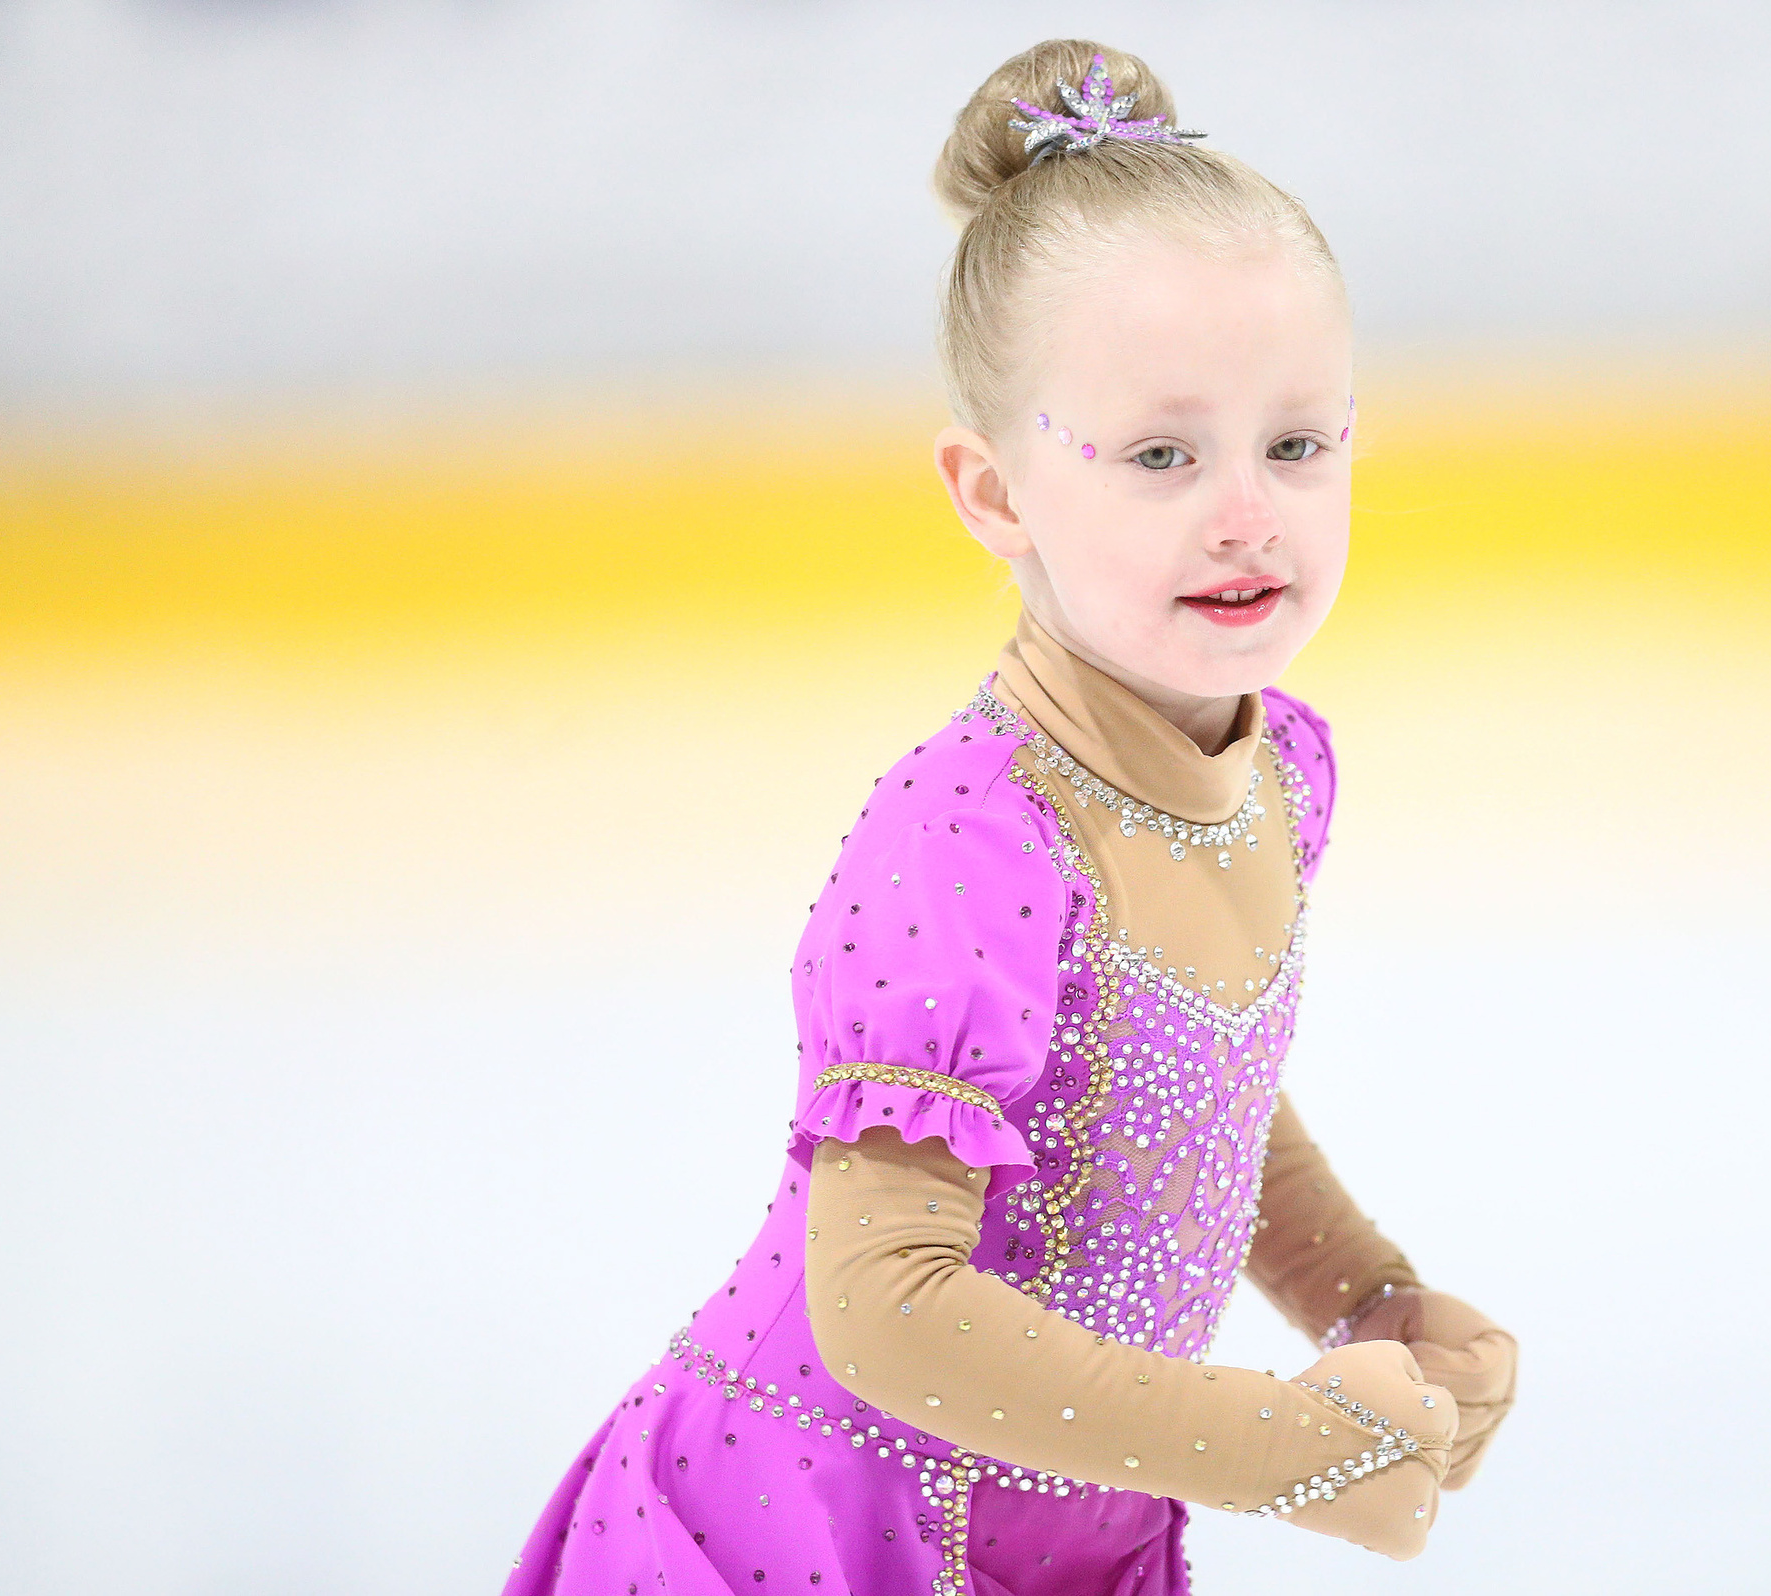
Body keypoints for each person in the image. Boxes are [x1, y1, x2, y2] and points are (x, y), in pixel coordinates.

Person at [503, 39, 1518, 1596]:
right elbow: (887, 1303)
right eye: (1164, 454)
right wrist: (1286, 1444)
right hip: (821, 1529)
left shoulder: (1281, 770)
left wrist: (1368, 1303)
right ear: (993, 494)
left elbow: (1197, 1096)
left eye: (1297, 443)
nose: (1246, 509)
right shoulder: (969, 843)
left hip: (1073, 1525)